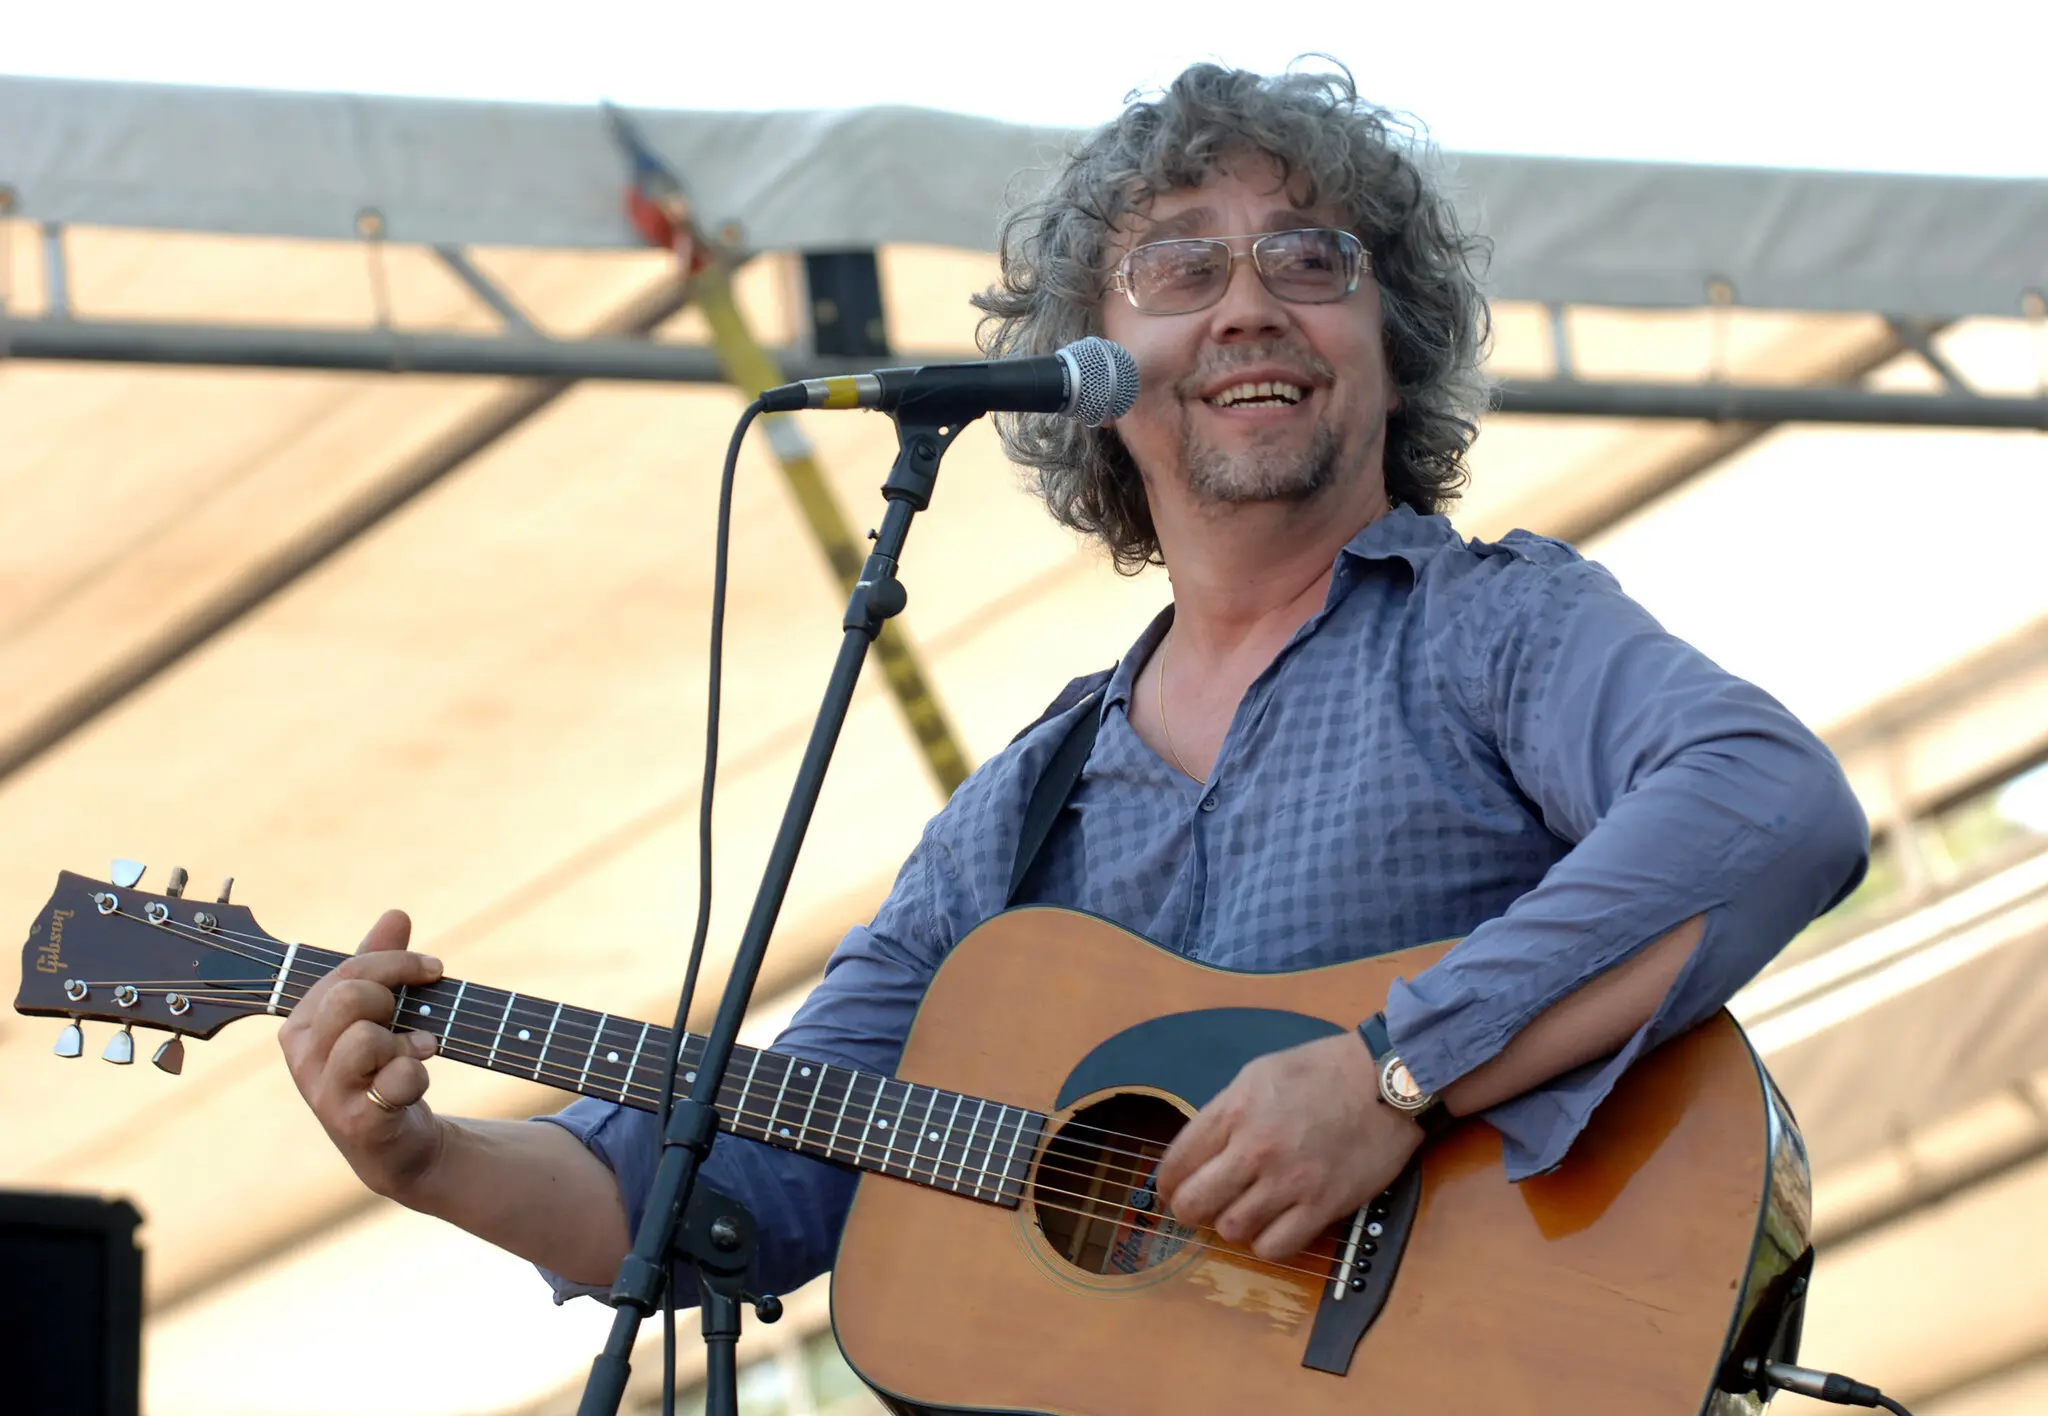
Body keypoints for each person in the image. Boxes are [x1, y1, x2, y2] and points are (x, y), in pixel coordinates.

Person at [280, 63, 1868, 1309]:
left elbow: (1770, 807)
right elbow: (749, 1185)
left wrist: (1395, 1071)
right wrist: (428, 1153)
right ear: (1092, 376)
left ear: (1394, 338)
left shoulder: (1494, 632)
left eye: (1308, 258)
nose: (1248, 300)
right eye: (1179, 268)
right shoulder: (1024, 813)